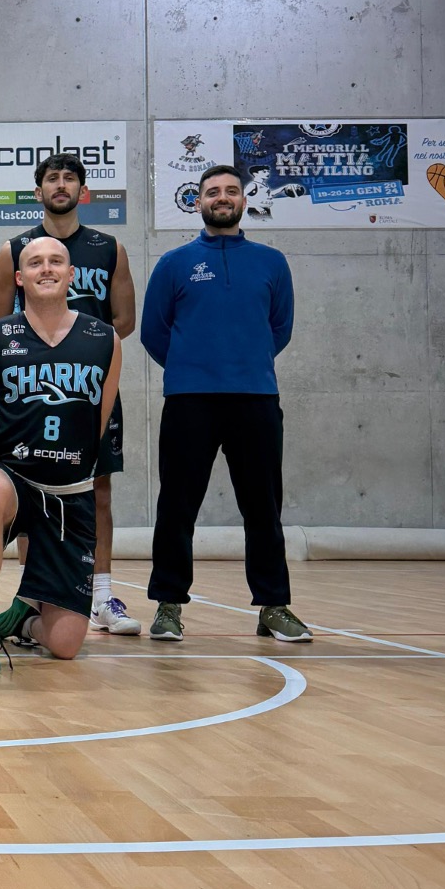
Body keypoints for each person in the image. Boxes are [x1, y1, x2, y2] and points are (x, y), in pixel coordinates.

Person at [142, 164, 311, 643]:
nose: (222, 197)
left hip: (255, 399)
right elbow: (154, 332)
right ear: (198, 202)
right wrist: (193, 366)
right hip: (189, 400)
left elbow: (280, 328)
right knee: (177, 507)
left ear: (243, 201)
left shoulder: (272, 262)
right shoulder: (173, 263)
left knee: (263, 508)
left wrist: (244, 362)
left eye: (231, 191)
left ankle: (273, 606)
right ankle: (168, 606)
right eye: (213, 191)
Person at [0, 151, 139, 636]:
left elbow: (125, 320)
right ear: (38, 191)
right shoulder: (14, 249)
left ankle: (101, 595)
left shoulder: (108, 248)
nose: (61, 185)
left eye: (70, 178)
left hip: (85, 384)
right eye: (52, 178)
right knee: (28, 488)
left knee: (98, 488)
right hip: (29, 388)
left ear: (82, 191)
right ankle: (33, 597)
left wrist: (77, 347)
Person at [0, 236, 120, 678]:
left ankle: (24, 622)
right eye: (34, 263)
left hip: (70, 491)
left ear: (71, 275)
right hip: (14, 478)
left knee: (65, 645)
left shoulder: (104, 339)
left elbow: (97, 421)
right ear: (19, 277)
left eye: (55, 261)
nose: (46, 269)